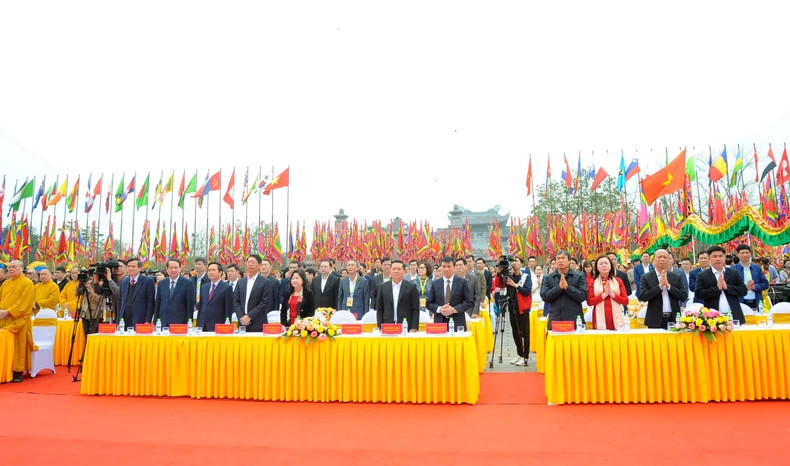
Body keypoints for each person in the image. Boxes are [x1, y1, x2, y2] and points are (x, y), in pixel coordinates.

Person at [491, 257, 532, 366]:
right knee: (515, 332)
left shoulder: (525, 277)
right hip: (512, 308)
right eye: (512, 262)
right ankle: (520, 354)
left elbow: (527, 291)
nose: (514, 264)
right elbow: (499, 284)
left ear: (521, 264)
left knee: (525, 333)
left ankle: (525, 356)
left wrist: (515, 285)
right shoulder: (509, 276)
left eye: (516, 261)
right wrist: (499, 274)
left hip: (523, 309)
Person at [0, 260, 35, 382]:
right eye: (9, 267)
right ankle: (5, 369)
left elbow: (24, 304)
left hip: (19, 319)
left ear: (22, 268)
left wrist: (8, 311)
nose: (10, 269)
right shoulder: (5, 284)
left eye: (14, 267)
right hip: (4, 319)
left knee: (18, 346)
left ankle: (18, 371)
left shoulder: (27, 283)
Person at [694, 246, 747, 323]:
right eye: (715, 256)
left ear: (724, 257)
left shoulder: (733, 273)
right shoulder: (702, 275)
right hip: (712, 318)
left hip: (734, 315)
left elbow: (743, 291)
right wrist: (716, 289)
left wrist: (727, 287)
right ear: (709, 258)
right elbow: (699, 294)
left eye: (720, 256)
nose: (718, 259)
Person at [638, 249, 688, 329]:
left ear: (669, 260)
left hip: (673, 318)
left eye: (665, 257)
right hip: (654, 320)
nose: (662, 259)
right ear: (654, 260)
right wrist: (660, 286)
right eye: (659, 257)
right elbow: (643, 296)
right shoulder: (646, 277)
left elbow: (683, 296)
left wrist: (669, 286)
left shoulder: (675, 277)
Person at [541, 250, 587, 329]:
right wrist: (558, 288)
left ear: (569, 261)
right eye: (558, 258)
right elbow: (544, 296)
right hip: (556, 319)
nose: (560, 261)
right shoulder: (548, 278)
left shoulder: (579, 276)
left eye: (563, 258)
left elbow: (583, 296)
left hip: (574, 319)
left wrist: (567, 288)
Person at [426, 256, 474, 330]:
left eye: (449, 266)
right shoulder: (435, 283)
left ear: (454, 267)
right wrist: (439, 309)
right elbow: (429, 303)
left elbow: (469, 301)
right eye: (444, 266)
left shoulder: (462, 282)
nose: (446, 269)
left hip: (457, 322)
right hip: (439, 323)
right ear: (441, 268)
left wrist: (454, 309)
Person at [586, 255, 629, 330]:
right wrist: (604, 295)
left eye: (606, 263)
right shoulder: (592, 282)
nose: (604, 265)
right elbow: (589, 302)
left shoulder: (618, 281)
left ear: (610, 266)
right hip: (598, 317)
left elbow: (625, 301)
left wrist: (612, 294)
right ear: (596, 267)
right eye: (601, 264)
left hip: (616, 316)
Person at [375, 260, 419, 331]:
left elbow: (415, 309)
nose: (396, 271)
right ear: (390, 270)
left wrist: (414, 328)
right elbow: (380, 309)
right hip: (387, 325)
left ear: (404, 271)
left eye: (399, 269)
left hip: (405, 326)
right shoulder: (382, 287)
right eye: (394, 269)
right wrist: (380, 327)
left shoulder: (411, 287)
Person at [233, 254, 273, 332]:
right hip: (242, 323)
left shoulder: (265, 282)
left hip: (258, 323)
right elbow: (236, 301)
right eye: (248, 262)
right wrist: (242, 317)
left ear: (259, 265)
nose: (250, 264)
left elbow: (264, 303)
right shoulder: (241, 282)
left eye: (253, 262)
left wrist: (249, 316)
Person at [152, 258, 196, 326]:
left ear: (180, 268)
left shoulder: (188, 283)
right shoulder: (162, 283)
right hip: (163, 321)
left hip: (180, 322)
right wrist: (155, 322)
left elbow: (190, 305)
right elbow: (158, 303)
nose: (173, 270)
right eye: (171, 268)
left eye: (176, 267)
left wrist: (189, 323)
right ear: (167, 269)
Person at [196, 262, 233, 331]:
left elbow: (228, 310)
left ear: (220, 272)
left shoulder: (227, 288)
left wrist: (227, 326)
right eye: (209, 270)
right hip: (203, 325)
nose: (211, 272)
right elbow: (201, 306)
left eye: (213, 270)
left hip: (218, 325)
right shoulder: (204, 287)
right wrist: (198, 324)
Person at [118, 258, 155, 326]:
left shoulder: (148, 281)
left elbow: (150, 303)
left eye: (133, 266)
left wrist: (147, 321)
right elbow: (120, 302)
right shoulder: (124, 282)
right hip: (124, 320)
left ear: (140, 268)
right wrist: (118, 322)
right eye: (129, 266)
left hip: (140, 319)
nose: (130, 268)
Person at [731, 244, 769, 311]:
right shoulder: (733, 269)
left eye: (747, 252)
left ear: (750, 254)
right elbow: (730, 287)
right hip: (740, 302)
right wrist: (745, 288)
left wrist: (755, 286)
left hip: (756, 301)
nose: (745, 255)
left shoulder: (757, 268)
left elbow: (765, 284)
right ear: (738, 254)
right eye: (742, 253)